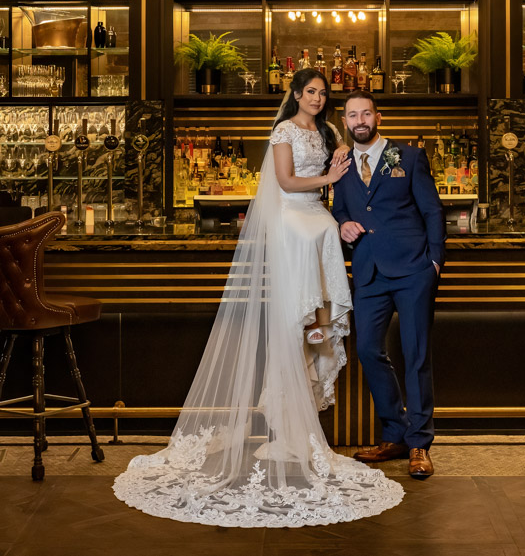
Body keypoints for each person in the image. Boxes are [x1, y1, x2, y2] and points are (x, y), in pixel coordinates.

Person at [113, 70, 404, 527]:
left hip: (322, 226)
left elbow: (344, 164)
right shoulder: (283, 129)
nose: (318, 98)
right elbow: (286, 182)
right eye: (311, 91)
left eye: (324, 93)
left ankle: (300, 416)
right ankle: (286, 421)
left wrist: (341, 158)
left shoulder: (330, 130)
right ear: (295, 94)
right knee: (294, 316)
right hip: (293, 223)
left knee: (317, 320)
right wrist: (329, 174)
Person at [330, 91, 446, 481]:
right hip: (368, 271)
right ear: (345, 121)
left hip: (414, 269)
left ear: (378, 117)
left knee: (416, 355)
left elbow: (432, 209)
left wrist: (435, 263)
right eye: (352, 115)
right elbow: (341, 208)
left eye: (366, 113)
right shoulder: (342, 165)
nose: (359, 120)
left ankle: (419, 444)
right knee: (366, 350)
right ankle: (394, 433)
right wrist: (341, 224)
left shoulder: (408, 156)